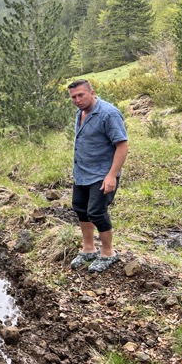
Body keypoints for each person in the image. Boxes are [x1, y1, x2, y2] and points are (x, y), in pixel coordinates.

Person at [67, 79, 128, 273]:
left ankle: (108, 252)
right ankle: (88, 248)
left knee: (96, 212)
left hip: (102, 174)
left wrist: (111, 176)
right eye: (73, 97)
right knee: (81, 208)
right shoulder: (81, 112)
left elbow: (122, 145)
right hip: (82, 172)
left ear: (92, 93)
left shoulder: (108, 113)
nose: (77, 100)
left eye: (81, 95)